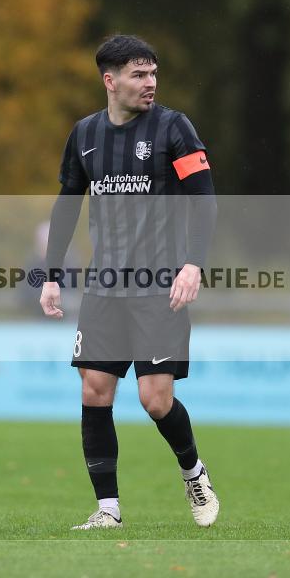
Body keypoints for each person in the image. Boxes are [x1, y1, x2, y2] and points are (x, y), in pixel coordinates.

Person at [39, 35, 219, 530]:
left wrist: (193, 264)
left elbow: (203, 199)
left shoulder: (173, 128)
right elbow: (66, 204)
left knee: (154, 400)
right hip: (103, 287)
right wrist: (51, 275)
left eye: (154, 73)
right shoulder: (85, 134)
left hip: (159, 285)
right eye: (139, 75)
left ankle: (193, 471)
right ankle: (108, 510)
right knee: (95, 390)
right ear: (110, 80)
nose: (150, 83)